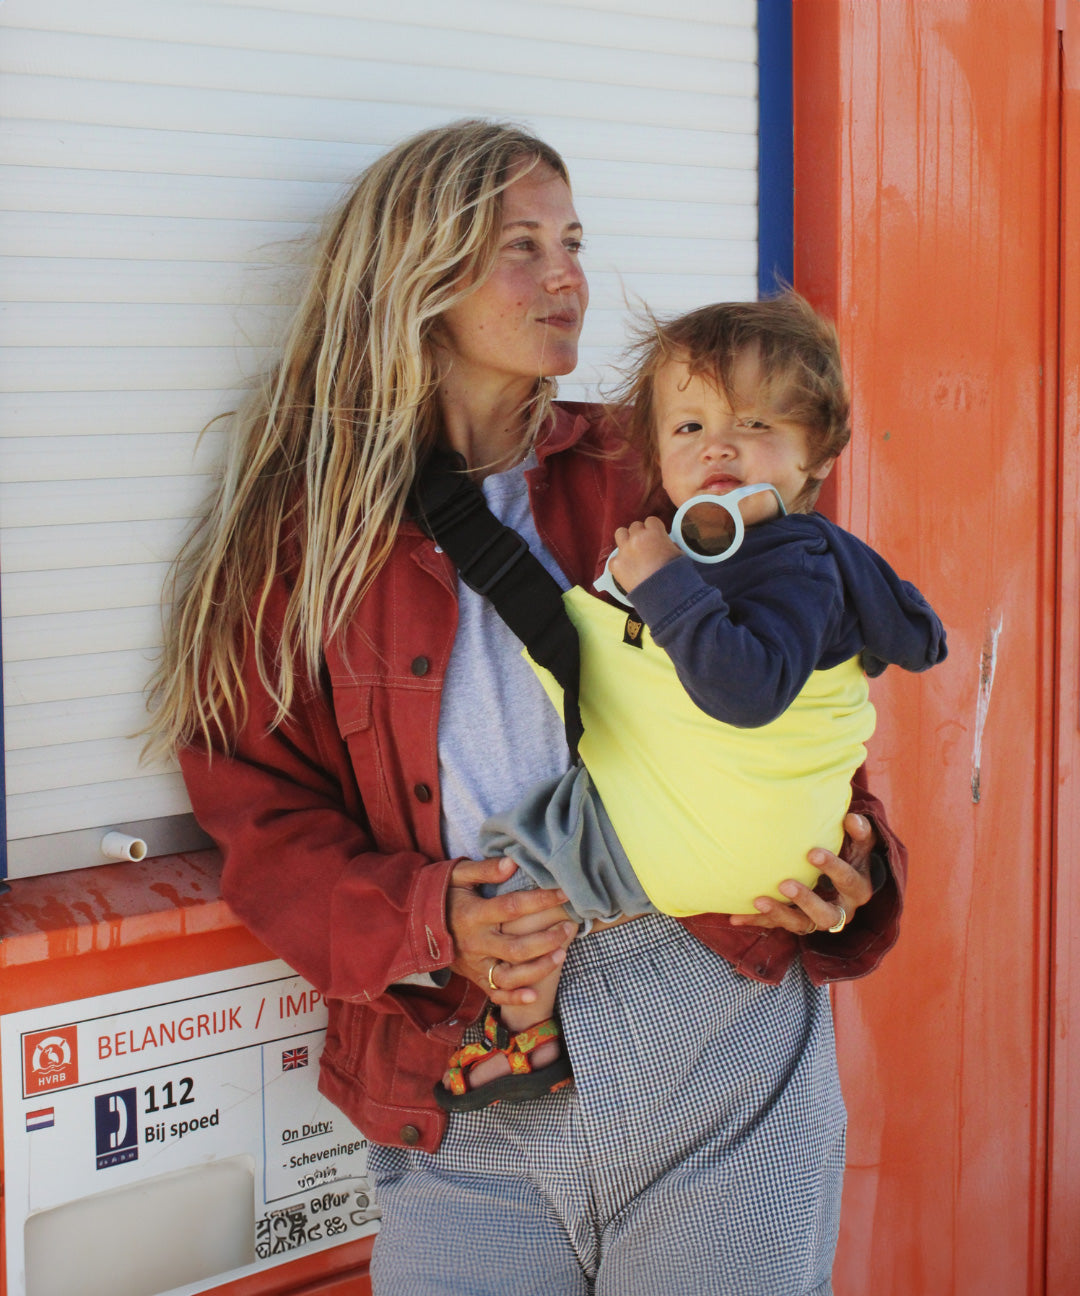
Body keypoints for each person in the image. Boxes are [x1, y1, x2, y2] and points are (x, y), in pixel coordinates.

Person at [149, 119, 908, 1295]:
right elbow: (260, 821)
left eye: (574, 241)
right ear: (420, 277)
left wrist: (854, 875)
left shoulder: (651, 471)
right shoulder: (304, 546)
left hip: (713, 1009)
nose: (567, 277)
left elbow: (794, 685)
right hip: (467, 1053)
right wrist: (428, 918)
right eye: (521, 246)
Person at [438, 293, 945, 1111]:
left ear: (817, 456)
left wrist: (662, 582)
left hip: (697, 866)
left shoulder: (793, 559)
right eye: (688, 427)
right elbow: (918, 638)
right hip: (770, 871)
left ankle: (523, 1024)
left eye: (755, 425)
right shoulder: (799, 558)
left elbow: (743, 695)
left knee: (531, 849)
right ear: (654, 452)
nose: (718, 444)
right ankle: (532, 1024)